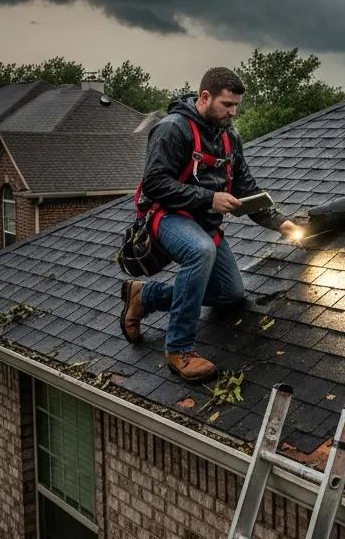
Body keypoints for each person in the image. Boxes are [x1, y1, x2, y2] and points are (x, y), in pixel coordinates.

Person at [119, 67, 296, 381]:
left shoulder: (229, 137)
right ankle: (179, 349)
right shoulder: (173, 129)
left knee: (230, 294)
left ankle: (145, 297)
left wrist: (281, 222)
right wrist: (210, 198)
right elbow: (154, 184)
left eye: (236, 105)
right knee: (200, 250)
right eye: (227, 104)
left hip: (203, 222)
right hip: (165, 216)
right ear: (204, 97)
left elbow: (246, 188)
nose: (233, 112)